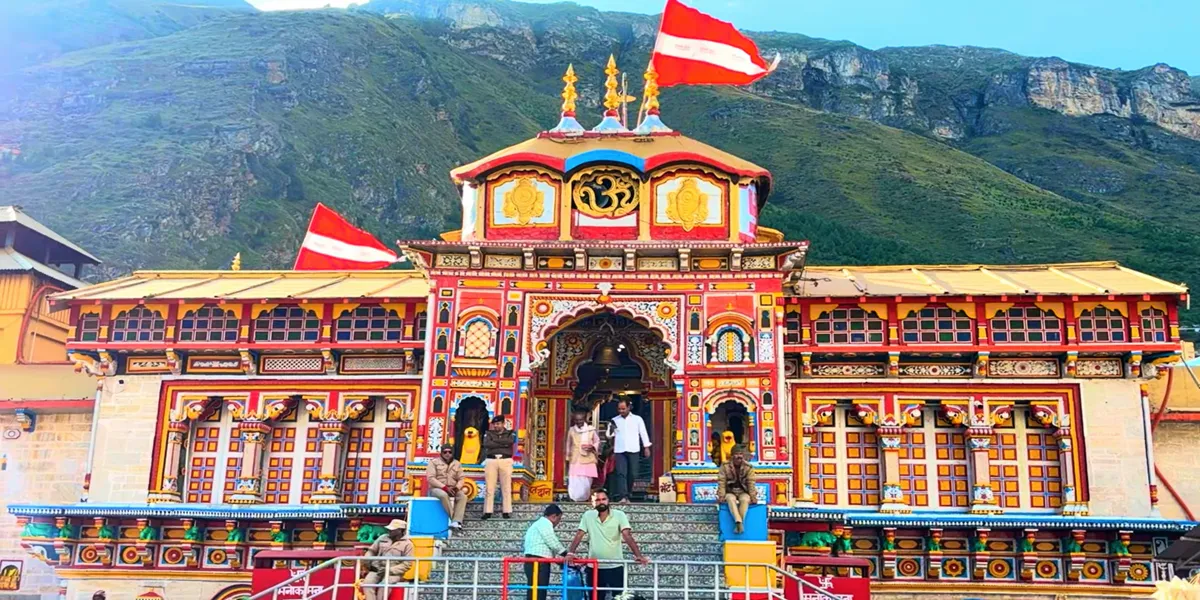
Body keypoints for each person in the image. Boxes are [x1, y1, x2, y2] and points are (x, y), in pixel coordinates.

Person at [567, 490, 650, 600]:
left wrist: (638, 555)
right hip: (594, 567)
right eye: (597, 500)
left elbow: (627, 535)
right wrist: (570, 553)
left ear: (608, 501)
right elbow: (579, 535)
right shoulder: (588, 516)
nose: (601, 502)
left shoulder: (619, 515)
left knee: (620, 597)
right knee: (595, 597)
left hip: (615, 565)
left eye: (603, 499)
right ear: (592, 502)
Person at [608, 399, 650, 504]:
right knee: (621, 473)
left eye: (623, 408)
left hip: (633, 449)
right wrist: (611, 429)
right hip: (619, 450)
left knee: (633, 473)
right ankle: (623, 496)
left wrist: (646, 447)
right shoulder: (614, 420)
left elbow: (643, 433)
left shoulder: (637, 419)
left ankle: (628, 492)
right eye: (619, 409)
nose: (621, 411)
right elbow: (609, 435)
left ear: (629, 407)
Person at [361, 519, 415, 600]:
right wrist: (366, 561)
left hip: (393, 573)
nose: (389, 530)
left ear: (400, 530)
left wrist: (389, 570)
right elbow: (372, 551)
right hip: (376, 569)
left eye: (392, 529)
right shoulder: (382, 537)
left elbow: (407, 564)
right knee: (367, 583)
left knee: (385, 585)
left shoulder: (408, 544)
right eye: (389, 529)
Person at [522, 503, 567, 600]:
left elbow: (545, 548)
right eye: (559, 519)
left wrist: (557, 561)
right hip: (538, 563)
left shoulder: (538, 524)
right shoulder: (545, 523)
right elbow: (552, 541)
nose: (558, 522)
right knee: (539, 591)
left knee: (535, 591)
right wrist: (566, 553)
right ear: (554, 516)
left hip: (533, 561)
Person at [717, 445, 757, 534]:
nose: (739, 456)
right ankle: (738, 521)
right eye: (736, 454)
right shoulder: (725, 466)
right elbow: (721, 481)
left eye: (741, 454)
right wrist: (721, 495)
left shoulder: (748, 467)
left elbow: (751, 483)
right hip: (730, 491)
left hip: (743, 491)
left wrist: (753, 496)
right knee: (731, 500)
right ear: (732, 456)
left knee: (745, 500)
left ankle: (739, 523)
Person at [427, 445, 468, 530]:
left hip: (453, 488)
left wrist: (457, 488)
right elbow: (430, 478)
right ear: (441, 453)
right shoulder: (433, 462)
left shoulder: (457, 464)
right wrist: (444, 487)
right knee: (443, 495)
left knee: (463, 496)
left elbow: (461, 478)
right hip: (437, 488)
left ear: (453, 453)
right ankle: (454, 519)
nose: (447, 454)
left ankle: (457, 521)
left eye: (450, 452)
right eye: (445, 452)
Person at [483, 415, 516, 519]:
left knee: (506, 486)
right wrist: (502, 443)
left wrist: (495, 441)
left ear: (503, 424)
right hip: (491, 460)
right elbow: (487, 444)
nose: (496, 426)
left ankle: (506, 511)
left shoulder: (510, 433)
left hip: (505, 460)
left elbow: (510, 442)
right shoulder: (489, 433)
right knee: (489, 487)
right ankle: (488, 511)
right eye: (494, 424)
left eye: (498, 424)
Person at [565, 410, 600, 502]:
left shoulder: (591, 430)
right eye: (577, 420)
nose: (579, 422)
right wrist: (568, 458)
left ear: (585, 419)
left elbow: (597, 441)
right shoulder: (572, 430)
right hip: (575, 458)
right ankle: (575, 498)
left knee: (586, 481)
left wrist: (592, 447)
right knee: (575, 480)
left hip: (588, 458)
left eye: (580, 420)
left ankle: (585, 498)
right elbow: (568, 444)